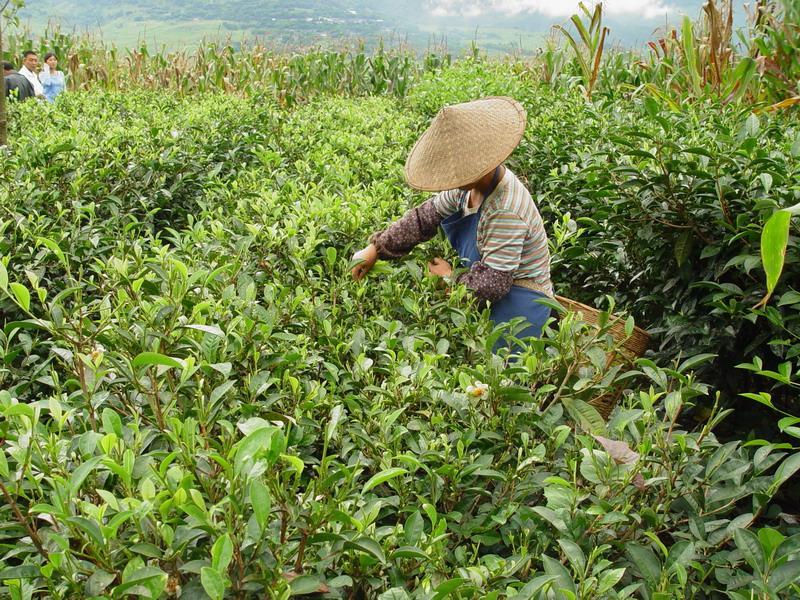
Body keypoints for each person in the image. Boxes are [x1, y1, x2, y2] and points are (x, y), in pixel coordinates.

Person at [351, 96, 553, 345]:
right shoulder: (467, 186)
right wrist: (375, 249)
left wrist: (449, 277)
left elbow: (493, 286)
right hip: (492, 290)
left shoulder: (504, 209)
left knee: (499, 378)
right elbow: (424, 217)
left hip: (521, 305)